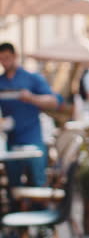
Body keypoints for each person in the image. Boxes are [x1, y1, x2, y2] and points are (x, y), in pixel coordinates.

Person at [0, 43, 58, 192]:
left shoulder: (32, 78)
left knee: (38, 181)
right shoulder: (1, 82)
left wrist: (32, 98)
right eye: (1, 59)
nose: (4, 63)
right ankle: (14, 213)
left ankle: (38, 211)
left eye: (7, 58)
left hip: (33, 138)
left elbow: (53, 101)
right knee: (13, 185)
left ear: (15, 56)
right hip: (11, 139)